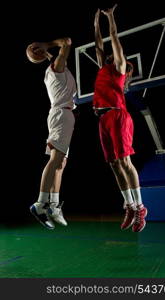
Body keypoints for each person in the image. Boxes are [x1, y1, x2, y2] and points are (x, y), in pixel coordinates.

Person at [93, 5, 147, 232]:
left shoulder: (120, 67)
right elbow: (98, 44)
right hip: (102, 118)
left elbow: (113, 37)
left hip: (118, 115)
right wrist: (95, 24)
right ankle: (130, 205)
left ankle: (140, 207)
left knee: (125, 162)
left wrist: (110, 17)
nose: (108, 54)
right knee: (114, 164)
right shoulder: (102, 69)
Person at [27, 37, 77, 229]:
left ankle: (53, 206)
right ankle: (40, 204)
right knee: (55, 160)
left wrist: (46, 53)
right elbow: (67, 42)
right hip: (61, 116)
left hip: (62, 116)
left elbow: (57, 57)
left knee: (60, 162)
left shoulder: (53, 70)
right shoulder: (57, 67)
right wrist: (46, 45)